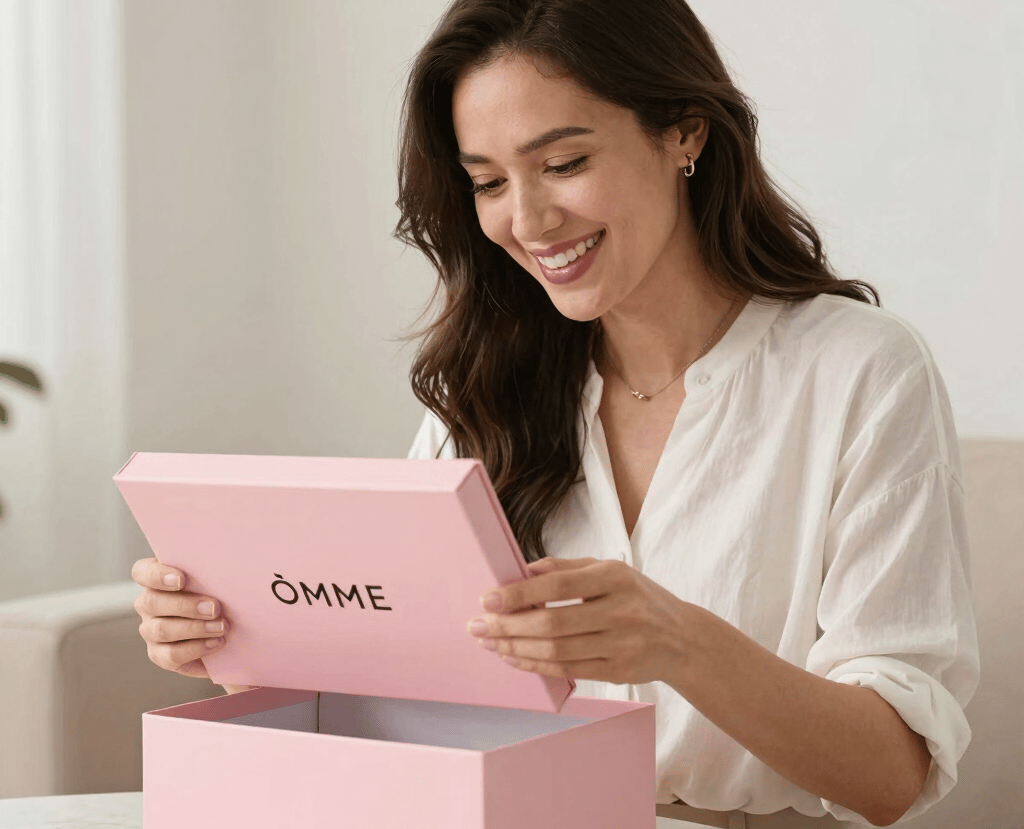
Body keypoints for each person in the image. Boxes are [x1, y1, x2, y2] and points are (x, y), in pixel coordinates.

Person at [130, 1, 979, 827]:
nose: (528, 221)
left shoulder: (860, 370)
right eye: (489, 182)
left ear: (685, 130)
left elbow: (892, 775)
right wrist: (241, 640)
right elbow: (400, 702)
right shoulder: (483, 386)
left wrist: (679, 642)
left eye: (565, 163)